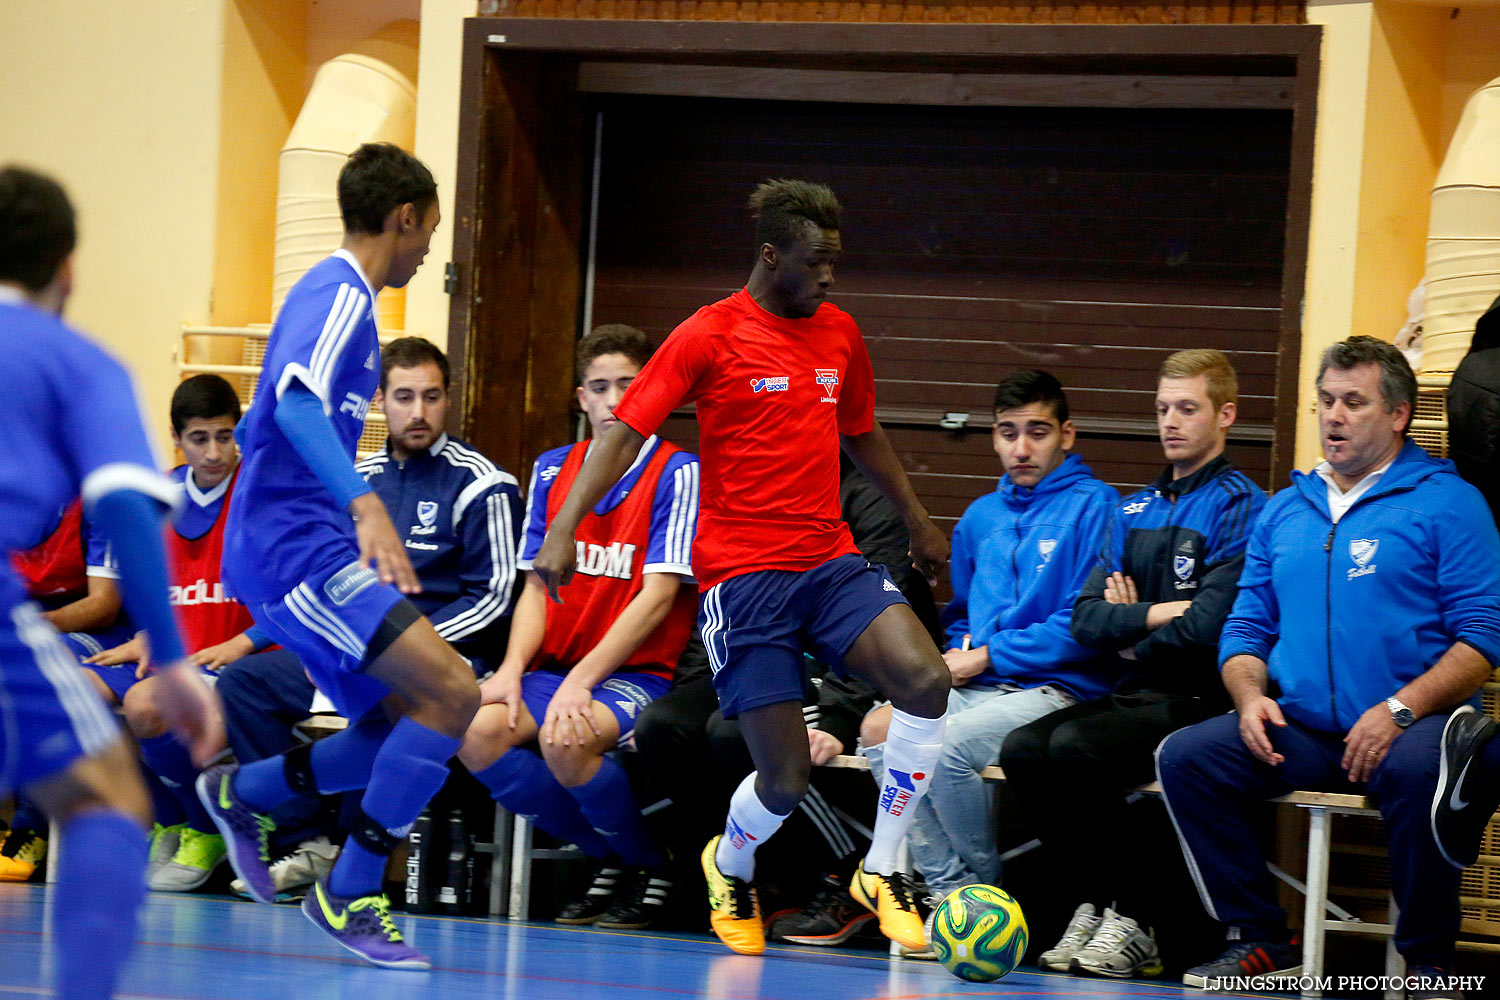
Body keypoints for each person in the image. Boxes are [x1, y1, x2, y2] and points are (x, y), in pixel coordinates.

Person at [529, 180, 952, 956]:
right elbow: (623, 432)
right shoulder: (707, 335)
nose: (830, 277)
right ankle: (729, 864)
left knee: (928, 681)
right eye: (816, 262)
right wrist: (563, 525)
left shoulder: (840, 334)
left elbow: (862, 432)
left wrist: (920, 522)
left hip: (827, 560)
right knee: (784, 780)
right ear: (771, 255)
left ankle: (882, 868)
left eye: (836, 261)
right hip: (745, 580)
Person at [198, 142, 477, 971]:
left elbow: (269, 419)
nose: (430, 248)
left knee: (398, 726)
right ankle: (351, 891)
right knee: (454, 693)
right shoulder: (341, 298)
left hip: (292, 544)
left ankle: (240, 792)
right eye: (429, 228)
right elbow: (290, 403)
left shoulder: (335, 298)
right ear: (404, 217)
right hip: (298, 551)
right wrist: (361, 505)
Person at [1156, 336, 1500, 1000]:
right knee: (1188, 757)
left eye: (1353, 402)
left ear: (1397, 414)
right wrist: (1250, 695)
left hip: (1420, 720)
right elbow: (1247, 627)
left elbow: (1483, 638)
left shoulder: (1449, 505)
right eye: (1325, 401)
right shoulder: (1287, 510)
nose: (1333, 416)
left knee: (1419, 768)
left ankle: (1429, 961)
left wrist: (1400, 710)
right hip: (1311, 730)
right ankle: (1259, 938)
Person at [0, 164, 221, 1000]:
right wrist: (169, 661)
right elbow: (131, 516)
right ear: (67, 269)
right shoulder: (76, 362)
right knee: (111, 802)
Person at [211, 335, 521, 900]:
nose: (418, 411)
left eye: (431, 396)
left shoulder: (483, 483)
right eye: (404, 397)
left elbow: (494, 596)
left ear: (448, 399)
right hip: (353, 633)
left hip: (438, 648)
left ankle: (334, 863)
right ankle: (302, 841)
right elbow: (318, 581)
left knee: (408, 716)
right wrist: (261, 641)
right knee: (244, 683)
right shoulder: (355, 480)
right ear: (380, 401)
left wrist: (403, 646)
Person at [999, 349, 1266, 978]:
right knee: (1022, 750)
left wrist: (1133, 625)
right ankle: (1092, 904)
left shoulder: (1242, 507)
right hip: (1134, 693)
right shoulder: (1132, 508)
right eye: (1162, 409)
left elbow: (1208, 629)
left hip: (1200, 699)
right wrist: (1159, 614)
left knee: (1077, 748)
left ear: (1225, 415)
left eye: (1187, 409)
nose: (1170, 422)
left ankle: (1135, 915)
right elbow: (1088, 619)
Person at [859, 369, 1118, 955]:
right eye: (1007, 433)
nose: (1021, 448)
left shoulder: (1097, 507)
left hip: (1058, 688)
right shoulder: (980, 517)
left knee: (945, 749)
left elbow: (1083, 625)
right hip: (981, 683)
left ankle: (984, 896)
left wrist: (986, 655)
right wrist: (955, 651)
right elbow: (961, 617)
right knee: (879, 730)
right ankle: (952, 894)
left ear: (1067, 435)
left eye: (1037, 432)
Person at [456, 324, 698, 931]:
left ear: (654, 392)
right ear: (580, 398)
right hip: (552, 668)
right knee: (476, 731)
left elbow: (659, 595)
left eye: (629, 385)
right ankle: (606, 855)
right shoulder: (550, 470)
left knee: (565, 740)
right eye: (600, 387)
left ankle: (649, 862)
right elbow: (536, 585)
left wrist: (583, 682)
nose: (615, 399)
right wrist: (511, 672)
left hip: (637, 674)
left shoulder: (679, 471)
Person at [80, 374, 271, 893]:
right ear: (176, 439)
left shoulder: (260, 495)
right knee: (75, 695)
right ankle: (171, 818)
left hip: (234, 655)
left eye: (225, 436)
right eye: (199, 438)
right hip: (168, 651)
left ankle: (205, 829)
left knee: (144, 706)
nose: (214, 452)